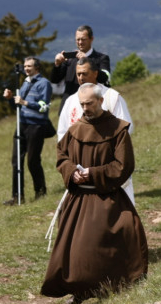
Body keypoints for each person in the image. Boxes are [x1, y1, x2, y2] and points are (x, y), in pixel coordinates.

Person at [41, 84, 148, 304]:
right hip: (79, 198)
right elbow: (61, 156)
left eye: (89, 103)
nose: (85, 108)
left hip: (107, 195)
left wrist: (93, 173)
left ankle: (113, 286)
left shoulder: (118, 129)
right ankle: (79, 291)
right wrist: (72, 172)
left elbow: (123, 165)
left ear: (100, 101)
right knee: (77, 250)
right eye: (82, 104)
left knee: (113, 240)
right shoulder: (75, 129)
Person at [57, 57, 134, 204]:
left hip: (109, 173)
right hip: (80, 179)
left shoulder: (112, 97)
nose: (81, 77)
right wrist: (72, 169)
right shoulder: (70, 101)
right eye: (78, 74)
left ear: (95, 73)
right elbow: (63, 136)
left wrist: (102, 152)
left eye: (85, 73)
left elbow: (125, 131)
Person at [2, 57, 54, 204]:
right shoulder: (25, 82)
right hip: (22, 125)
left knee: (33, 161)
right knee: (16, 161)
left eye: (29, 66)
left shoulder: (44, 83)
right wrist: (10, 99)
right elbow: (19, 107)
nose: (26, 69)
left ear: (37, 68)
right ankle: (17, 196)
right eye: (25, 66)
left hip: (36, 126)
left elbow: (44, 106)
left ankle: (41, 192)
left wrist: (25, 102)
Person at [50, 25, 111, 106]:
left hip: (91, 105)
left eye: (83, 39)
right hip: (69, 105)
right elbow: (55, 80)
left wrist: (88, 61)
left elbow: (105, 78)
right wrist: (57, 64)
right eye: (78, 39)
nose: (80, 42)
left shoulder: (102, 58)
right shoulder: (69, 59)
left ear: (91, 39)